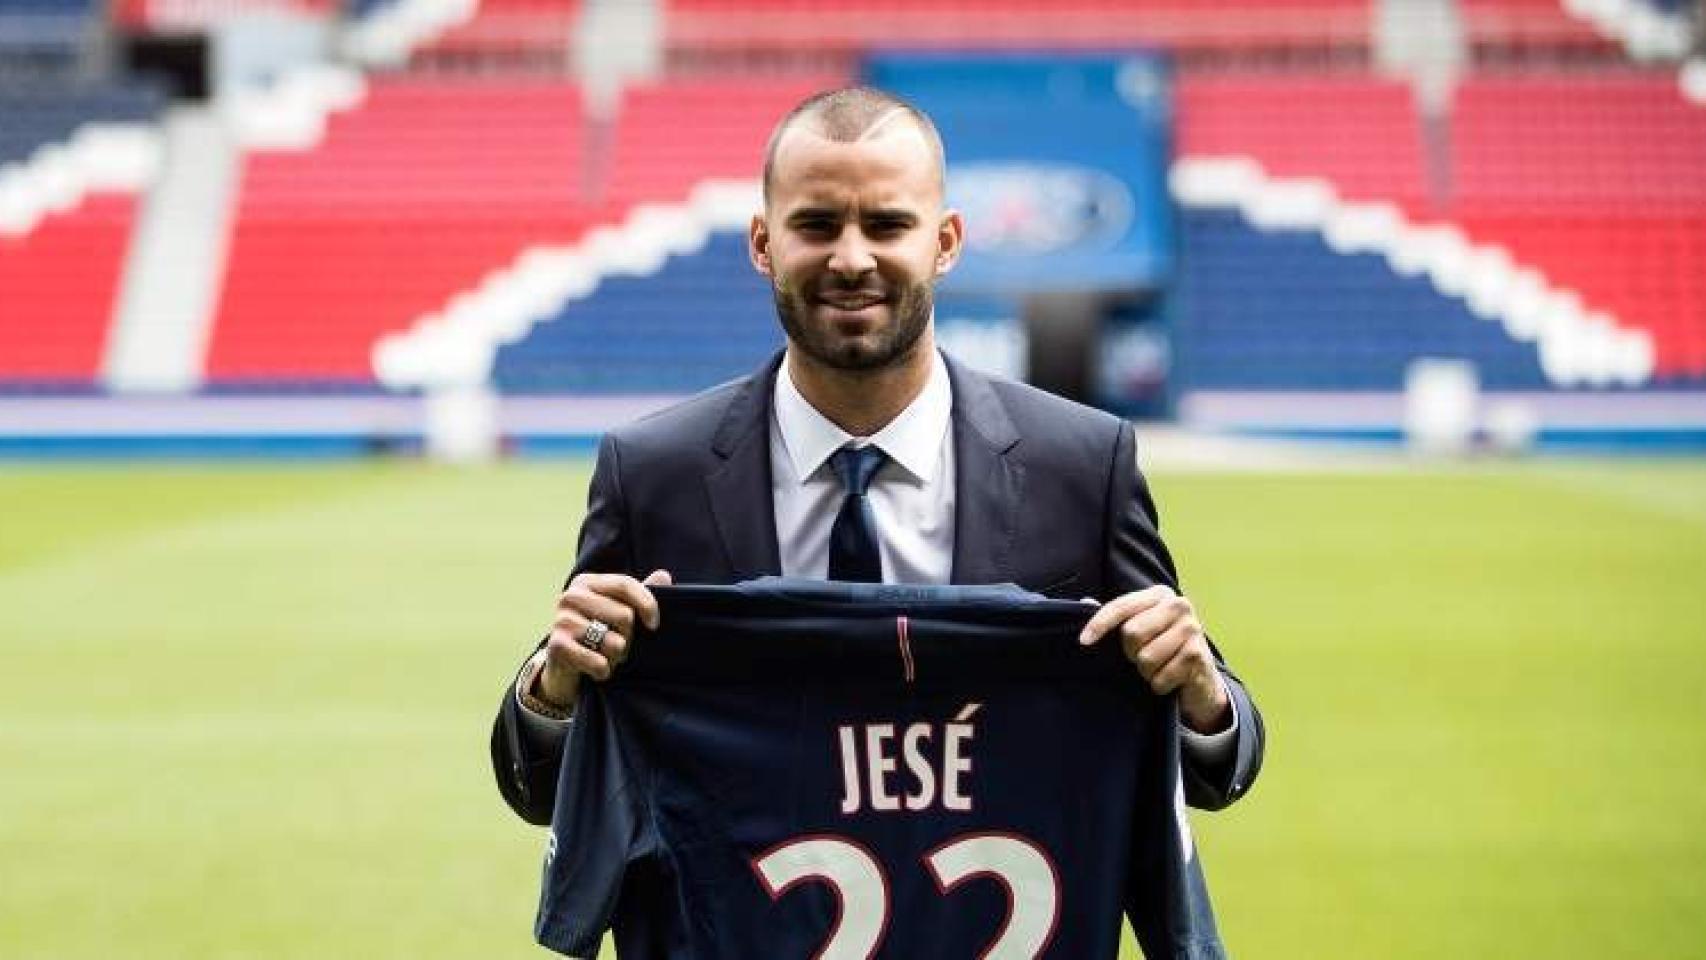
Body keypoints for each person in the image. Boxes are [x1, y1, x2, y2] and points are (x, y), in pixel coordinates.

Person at [491, 86, 1264, 828]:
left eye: (888, 225)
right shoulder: (654, 472)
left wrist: (1203, 700)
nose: (852, 258)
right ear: (764, 243)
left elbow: (1215, 765)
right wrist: (551, 689)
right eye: (818, 224)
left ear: (946, 242)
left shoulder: (1083, 466)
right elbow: (544, 789)